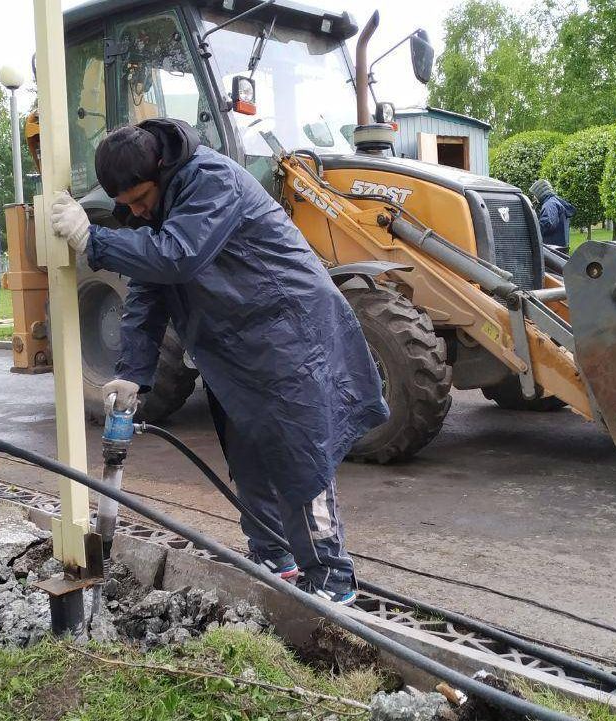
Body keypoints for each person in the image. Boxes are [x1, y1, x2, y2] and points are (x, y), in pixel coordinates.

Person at [49, 119, 388, 605]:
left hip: (287, 333)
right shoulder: (156, 207)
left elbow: (177, 258)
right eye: (128, 208)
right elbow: (148, 289)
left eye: (141, 198)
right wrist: (133, 374)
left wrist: (96, 242)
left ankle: (331, 582)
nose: (139, 211)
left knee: (299, 460)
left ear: (162, 168)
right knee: (248, 460)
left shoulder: (212, 180)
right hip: (235, 345)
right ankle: (275, 561)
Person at [529, 179, 575, 251]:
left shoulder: (550, 204)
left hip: (552, 251)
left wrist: (532, 231)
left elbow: (547, 224)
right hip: (560, 248)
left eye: (535, 195)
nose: (534, 197)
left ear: (540, 193)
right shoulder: (555, 201)